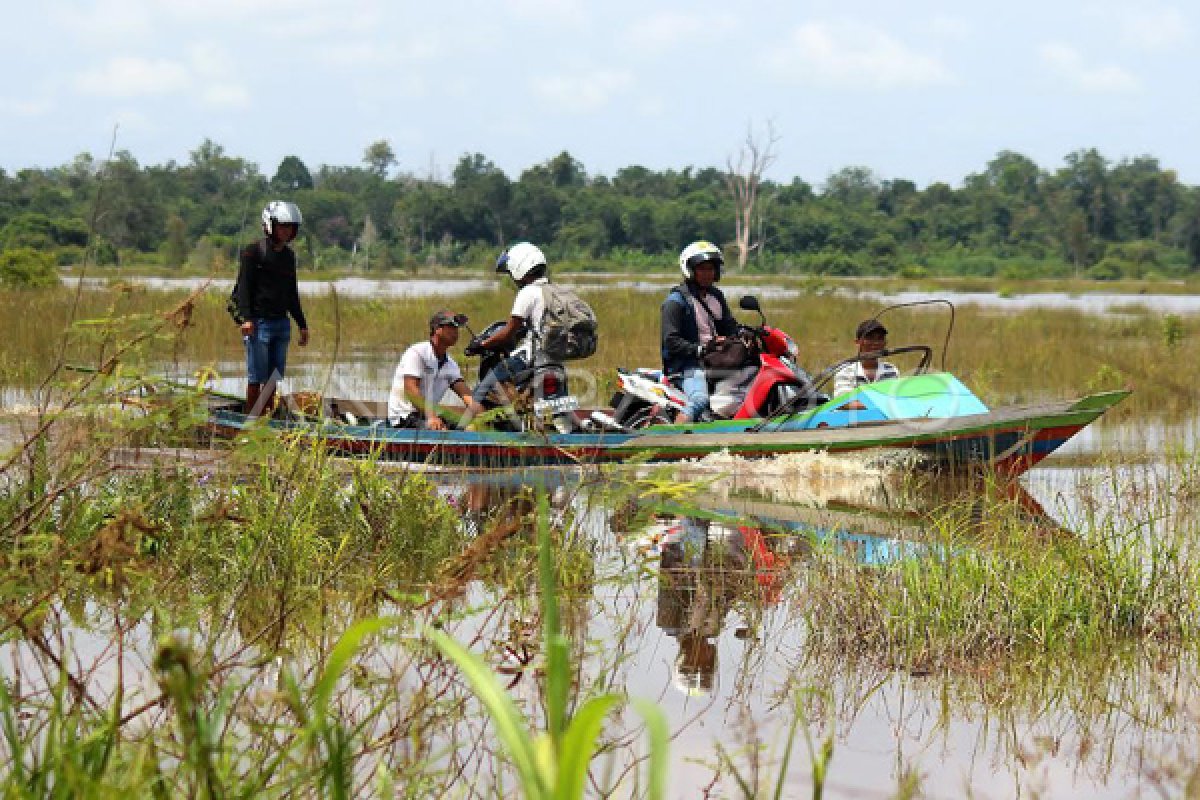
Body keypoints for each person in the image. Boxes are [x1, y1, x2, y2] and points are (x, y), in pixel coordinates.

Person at [234, 200, 310, 415]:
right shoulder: (253, 252)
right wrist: (246, 318)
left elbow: (291, 293)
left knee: (273, 377)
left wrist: (302, 324)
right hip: (260, 324)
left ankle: (267, 420)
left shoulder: (288, 257)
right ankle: (251, 422)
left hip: (281, 323)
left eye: (290, 227)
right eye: (282, 226)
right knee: (255, 378)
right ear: (270, 225)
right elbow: (243, 288)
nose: (287, 231)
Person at [660, 241, 738, 424]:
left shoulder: (716, 297)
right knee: (699, 400)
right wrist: (701, 349)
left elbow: (729, 326)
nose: (707, 274)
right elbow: (671, 341)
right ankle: (676, 438)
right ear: (690, 270)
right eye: (701, 269)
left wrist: (747, 335)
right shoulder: (676, 302)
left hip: (715, 361)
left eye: (711, 269)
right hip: (686, 366)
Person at [467, 242, 551, 411]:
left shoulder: (528, 292)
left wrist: (481, 344)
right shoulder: (552, 290)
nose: (512, 277)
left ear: (519, 268)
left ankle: (470, 430)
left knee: (484, 387)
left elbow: (508, 332)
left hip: (531, 357)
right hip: (554, 359)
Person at [388, 310, 484, 429]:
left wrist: (484, 416)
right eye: (451, 327)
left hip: (428, 415)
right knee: (440, 429)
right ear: (438, 329)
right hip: (404, 417)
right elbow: (411, 390)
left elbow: (467, 395)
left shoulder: (450, 364)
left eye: (457, 328)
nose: (456, 332)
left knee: (470, 428)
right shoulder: (417, 353)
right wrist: (431, 416)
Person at [832, 319, 899, 410]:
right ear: (857, 342)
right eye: (869, 338)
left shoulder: (891, 370)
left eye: (880, 338)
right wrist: (879, 404)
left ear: (885, 343)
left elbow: (895, 399)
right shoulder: (845, 370)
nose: (875, 343)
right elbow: (843, 402)